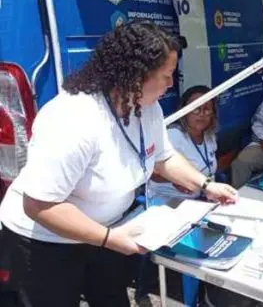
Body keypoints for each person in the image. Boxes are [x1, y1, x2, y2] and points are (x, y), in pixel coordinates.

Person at [0, 21, 237, 307]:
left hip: (108, 231)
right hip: (45, 242)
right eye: (166, 76)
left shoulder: (147, 108)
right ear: (136, 76)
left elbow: (163, 157)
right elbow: (39, 205)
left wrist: (206, 185)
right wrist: (110, 238)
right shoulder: (74, 119)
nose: (172, 84)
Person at [150, 85, 218, 198]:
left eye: (207, 109)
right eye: (196, 108)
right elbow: (153, 173)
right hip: (168, 200)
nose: (201, 114)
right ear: (185, 111)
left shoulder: (209, 137)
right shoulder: (173, 135)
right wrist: (176, 180)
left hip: (198, 200)